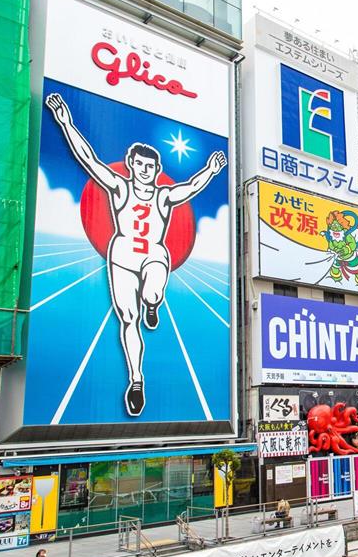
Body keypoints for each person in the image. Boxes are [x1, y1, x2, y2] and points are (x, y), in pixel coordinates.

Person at [45, 93, 227, 416]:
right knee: (128, 319)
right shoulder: (119, 187)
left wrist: (211, 171)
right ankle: (136, 379)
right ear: (132, 165)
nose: (144, 170)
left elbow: (191, 187)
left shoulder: (164, 195)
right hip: (123, 255)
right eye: (139, 165)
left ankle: (153, 303)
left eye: (150, 166)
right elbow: (89, 160)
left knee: (153, 290)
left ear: (157, 170)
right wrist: (66, 123)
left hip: (154, 254)